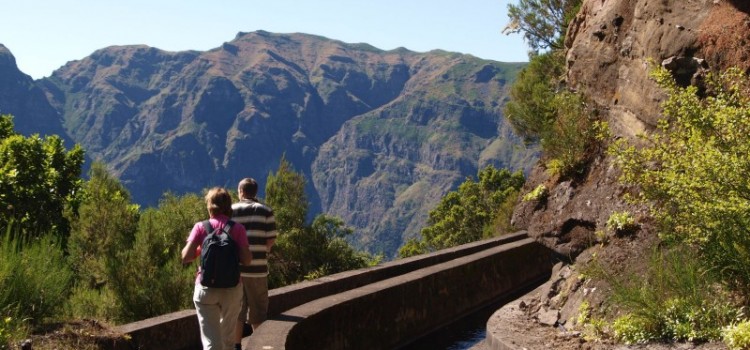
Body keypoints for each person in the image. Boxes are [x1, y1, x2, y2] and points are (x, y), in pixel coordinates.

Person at [181, 187, 252, 350]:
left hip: (206, 288)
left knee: (211, 342)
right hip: (232, 289)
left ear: (209, 206)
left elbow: (186, 257)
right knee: (228, 340)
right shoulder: (238, 229)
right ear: (229, 206)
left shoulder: (201, 227)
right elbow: (247, 260)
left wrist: (200, 249)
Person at [231, 178, 278, 350]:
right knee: (258, 310)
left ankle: (236, 345)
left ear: (241, 191)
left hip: (236, 271)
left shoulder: (231, 211)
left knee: (237, 310)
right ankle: (256, 345)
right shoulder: (266, 211)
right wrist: (262, 249)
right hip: (258, 269)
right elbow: (271, 238)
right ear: (255, 192)